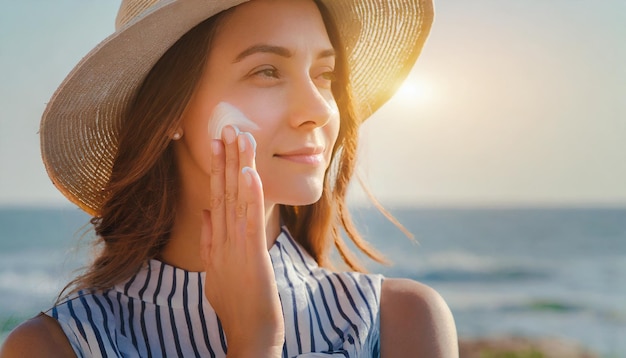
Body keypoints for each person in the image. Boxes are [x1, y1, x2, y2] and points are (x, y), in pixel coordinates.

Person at [1, 0, 458, 356]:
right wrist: (254, 342)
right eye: (267, 71)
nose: (319, 109)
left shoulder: (399, 322)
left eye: (325, 74)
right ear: (171, 112)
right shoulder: (55, 347)